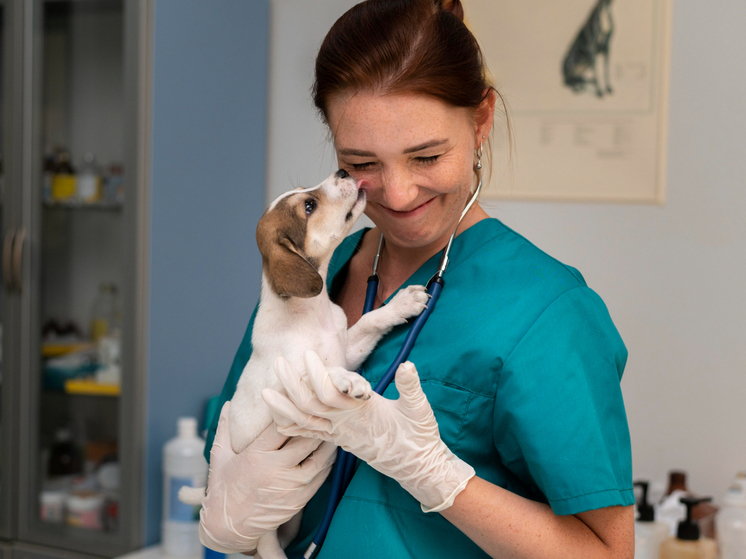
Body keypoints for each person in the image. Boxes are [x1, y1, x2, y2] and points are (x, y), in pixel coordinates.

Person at [199, 1, 635, 557]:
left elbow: (607, 553)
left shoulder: (549, 312)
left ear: (481, 121)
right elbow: (230, 457)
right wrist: (225, 526)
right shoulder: (311, 285)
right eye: (363, 162)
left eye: (426, 156)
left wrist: (439, 478)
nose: (399, 194)